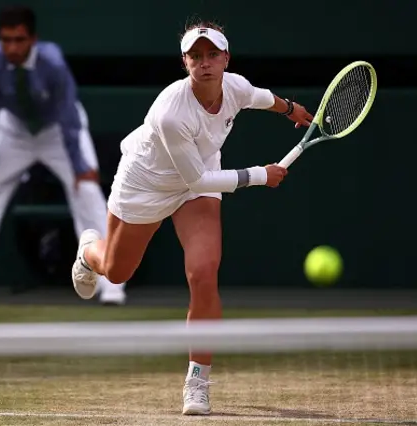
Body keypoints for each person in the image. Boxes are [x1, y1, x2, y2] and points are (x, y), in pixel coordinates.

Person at [71, 22, 314, 415]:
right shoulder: (171, 112)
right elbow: (198, 178)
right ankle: (88, 253)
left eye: (212, 55)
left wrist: (291, 109)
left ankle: (197, 379)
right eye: (195, 56)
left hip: (197, 181)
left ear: (225, 58)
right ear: (185, 62)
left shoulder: (234, 86)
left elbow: (260, 97)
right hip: (146, 183)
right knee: (116, 272)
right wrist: (258, 175)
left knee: (203, 272)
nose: (205, 64)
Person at [0, 5, 126, 305]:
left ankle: (110, 281)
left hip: (59, 131)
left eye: (18, 40)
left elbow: (68, 114)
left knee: (86, 190)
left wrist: (80, 165)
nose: (12, 48)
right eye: (6, 40)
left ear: (33, 39)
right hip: (13, 131)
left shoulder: (53, 63)